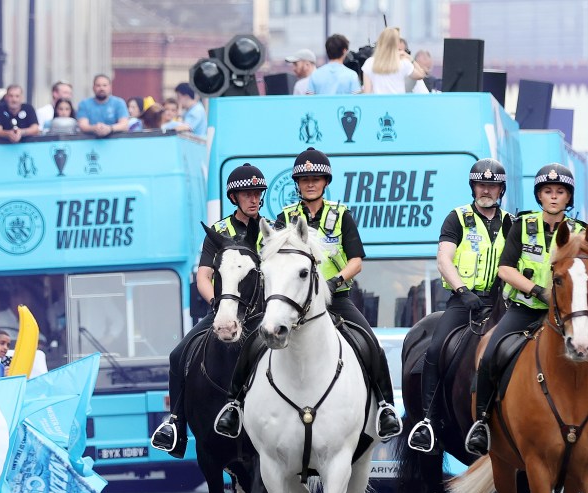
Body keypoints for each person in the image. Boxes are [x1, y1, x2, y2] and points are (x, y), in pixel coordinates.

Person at [213, 148, 401, 441]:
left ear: (325, 182)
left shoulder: (341, 215)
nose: (310, 184)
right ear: (297, 184)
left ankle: (386, 408)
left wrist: (335, 282)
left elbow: (356, 261)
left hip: (335, 298)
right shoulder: (284, 217)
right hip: (291, 301)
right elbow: (269, 258)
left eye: (315, 178)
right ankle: (234, 405)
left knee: (370, 343)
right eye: (304, 179)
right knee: (255, 342)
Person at [465, 163, 588, 458]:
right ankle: (482, 424)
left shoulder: (582, 231)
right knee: (491, 356)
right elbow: (505, 269)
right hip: (526, 309)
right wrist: (538, 291)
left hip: (571, 317)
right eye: (547, 191)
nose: (553, 197)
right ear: (539, 196)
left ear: (568, 197)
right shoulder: (522, 226)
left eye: (560, 192)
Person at [150, 164, 270, 457]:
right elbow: (204, 276)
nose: (253, 199)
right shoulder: (218, 232)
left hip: (264, 313)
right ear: (234, 198)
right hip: (226, 309)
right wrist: (220, 306)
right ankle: (176, 424)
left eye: (257, 193)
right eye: (246, 194)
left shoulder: (271, 230)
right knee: (179, 354)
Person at [407, 159, 513, 453]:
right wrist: (463, 291)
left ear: (500, 189)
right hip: (463, 301)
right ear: (473, 187)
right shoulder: (457, 218)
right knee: (435, 348)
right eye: (481, 184)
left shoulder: (511, 223)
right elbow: (444, 259)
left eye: (492, 186)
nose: (486, 190)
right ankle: (427, 421)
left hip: (500, 302)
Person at [361, 27, 425, 95]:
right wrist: (410, 58)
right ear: (396, 44)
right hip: (397, 104)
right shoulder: (403, 63)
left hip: (377, 104)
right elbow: (421, 75)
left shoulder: (369, 63)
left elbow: (367, 93)